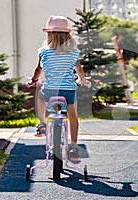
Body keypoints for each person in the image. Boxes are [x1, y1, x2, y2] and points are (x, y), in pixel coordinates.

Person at [27, 16, 90, 162]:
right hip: (68, 91)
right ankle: (73, 146)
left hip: (50, 90)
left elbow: (38, 70)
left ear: (49, 34)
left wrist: (34, 81)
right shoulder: (73, 52)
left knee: (40, 97)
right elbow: (79, 70)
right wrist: (83, 80)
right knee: (72, 115)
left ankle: (42, 124)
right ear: (68, 35)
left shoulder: (43, 51)